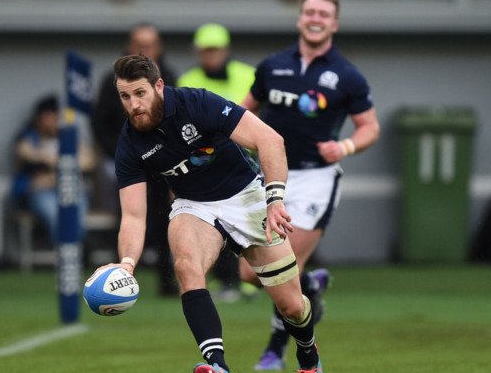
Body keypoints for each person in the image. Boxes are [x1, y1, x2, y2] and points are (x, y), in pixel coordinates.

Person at [98, 54, 325, 373]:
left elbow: (269, 139)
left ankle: (308, 353)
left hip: (247, 195)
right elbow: (134, 216)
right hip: (194, 205)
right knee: (187, 265)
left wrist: (275, 200)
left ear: (158, 87)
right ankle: (217, 365)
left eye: (140, 93)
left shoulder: (197, 103)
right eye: (125, 96)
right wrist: (127, 263)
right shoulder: (130, 144)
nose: (133, 104)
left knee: (292, 306)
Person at [240, 0, 380, 370]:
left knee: (287, 269)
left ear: (334, 24)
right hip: (270, 177)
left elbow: (370, 127)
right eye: (310, 12)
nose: (316, 19)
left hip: (316, 179)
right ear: (300, 18)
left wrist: (346, 147)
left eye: (324, 14)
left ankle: (276, 351)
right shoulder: (272, 66)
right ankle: (312, 288)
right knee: (250, 273)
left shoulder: (347, 76)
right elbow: (241, 112)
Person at [92, 23, 178, 296]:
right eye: (139, 44)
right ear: (129, 46)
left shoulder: (170, 76)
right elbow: (99, 122)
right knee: (129, 217)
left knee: (169, 220)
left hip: (164, 164)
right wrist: (117, 153)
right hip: (131, 164)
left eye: (150, 44)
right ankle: (126, 278)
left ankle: (167, 279)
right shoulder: (112, 81)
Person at [177, 23, 257, 301]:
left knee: (250, 221)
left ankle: (250, 280)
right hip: (206, 162)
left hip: (247, 161)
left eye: (215, 50)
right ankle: (225, 280)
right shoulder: (187, 78)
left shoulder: (248, 75)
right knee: (213, 223)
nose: (210, 55)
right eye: (205, 50)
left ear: (225, 50)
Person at [13, 94, 96, 243]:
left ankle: (78, 249)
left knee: (77, 214)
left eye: (52, 118)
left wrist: (59, 165)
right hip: (43, 192)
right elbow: (24, 153)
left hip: (71, 189)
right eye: (45, 118)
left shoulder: (68, 137)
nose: (48, 123)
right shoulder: (30, 137)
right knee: (53, 214)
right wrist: (52, 161)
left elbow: (89, 161)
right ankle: (66, 249)